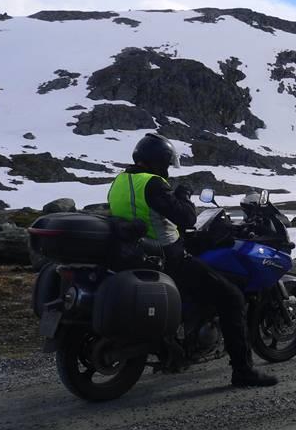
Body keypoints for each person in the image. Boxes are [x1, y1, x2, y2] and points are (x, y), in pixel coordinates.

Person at [107, 132, 277, 387]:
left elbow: (143, 216)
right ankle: (243, 371)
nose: (166, 169)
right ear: (157, 161)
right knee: (231, 297)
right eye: (166, 163)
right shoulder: (152, 183)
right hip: (167, 258)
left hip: (135, 255)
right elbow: (186, 218)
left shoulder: (119, 181)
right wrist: (184, 196)